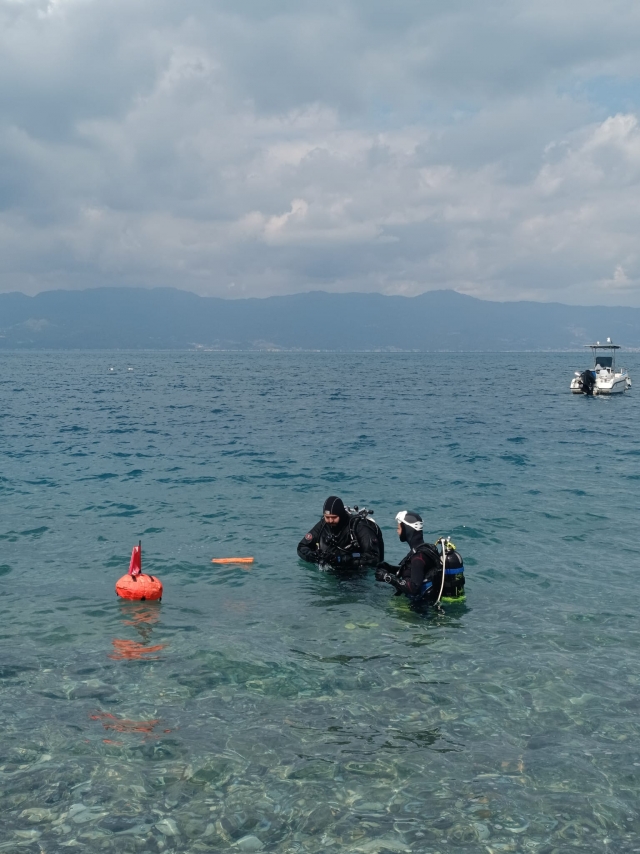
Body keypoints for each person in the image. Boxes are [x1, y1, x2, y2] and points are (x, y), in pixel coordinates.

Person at [297, 496, 383, 568]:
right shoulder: (323, 525)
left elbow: (374, 557)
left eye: (334, 517)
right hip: (332, 573)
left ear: (341, 514)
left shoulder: (359, 527)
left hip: (355, 574)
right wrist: (314, 556)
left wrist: (343, 559)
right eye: (327, 517)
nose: (330, 521)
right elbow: (302, 547)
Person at [375, 510, 441, 599]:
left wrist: (388, 578)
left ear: (407, 529)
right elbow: (414, 572)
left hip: (419, 609)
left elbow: (414, 587)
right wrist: (390, 569)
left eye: (399, 528)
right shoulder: (424, 550)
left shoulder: (418, 557)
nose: (397, 531)